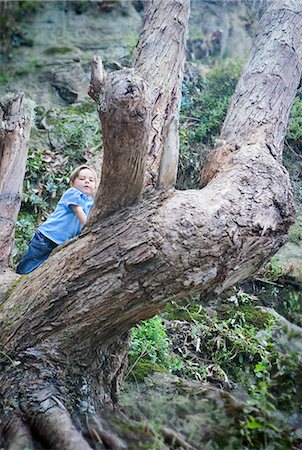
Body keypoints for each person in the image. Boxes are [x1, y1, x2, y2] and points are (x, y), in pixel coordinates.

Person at [16, 164, 97, 274]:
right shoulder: (73, 193)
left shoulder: (91, 203)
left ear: (95, 187)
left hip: (61, 243)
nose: (86, 181)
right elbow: (78, 211)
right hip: (46, 237)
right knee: (30, 263)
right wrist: (90, 228)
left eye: (91, 180)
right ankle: (18, 276)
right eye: (82, 179)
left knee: (42, 270)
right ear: (72, 183)